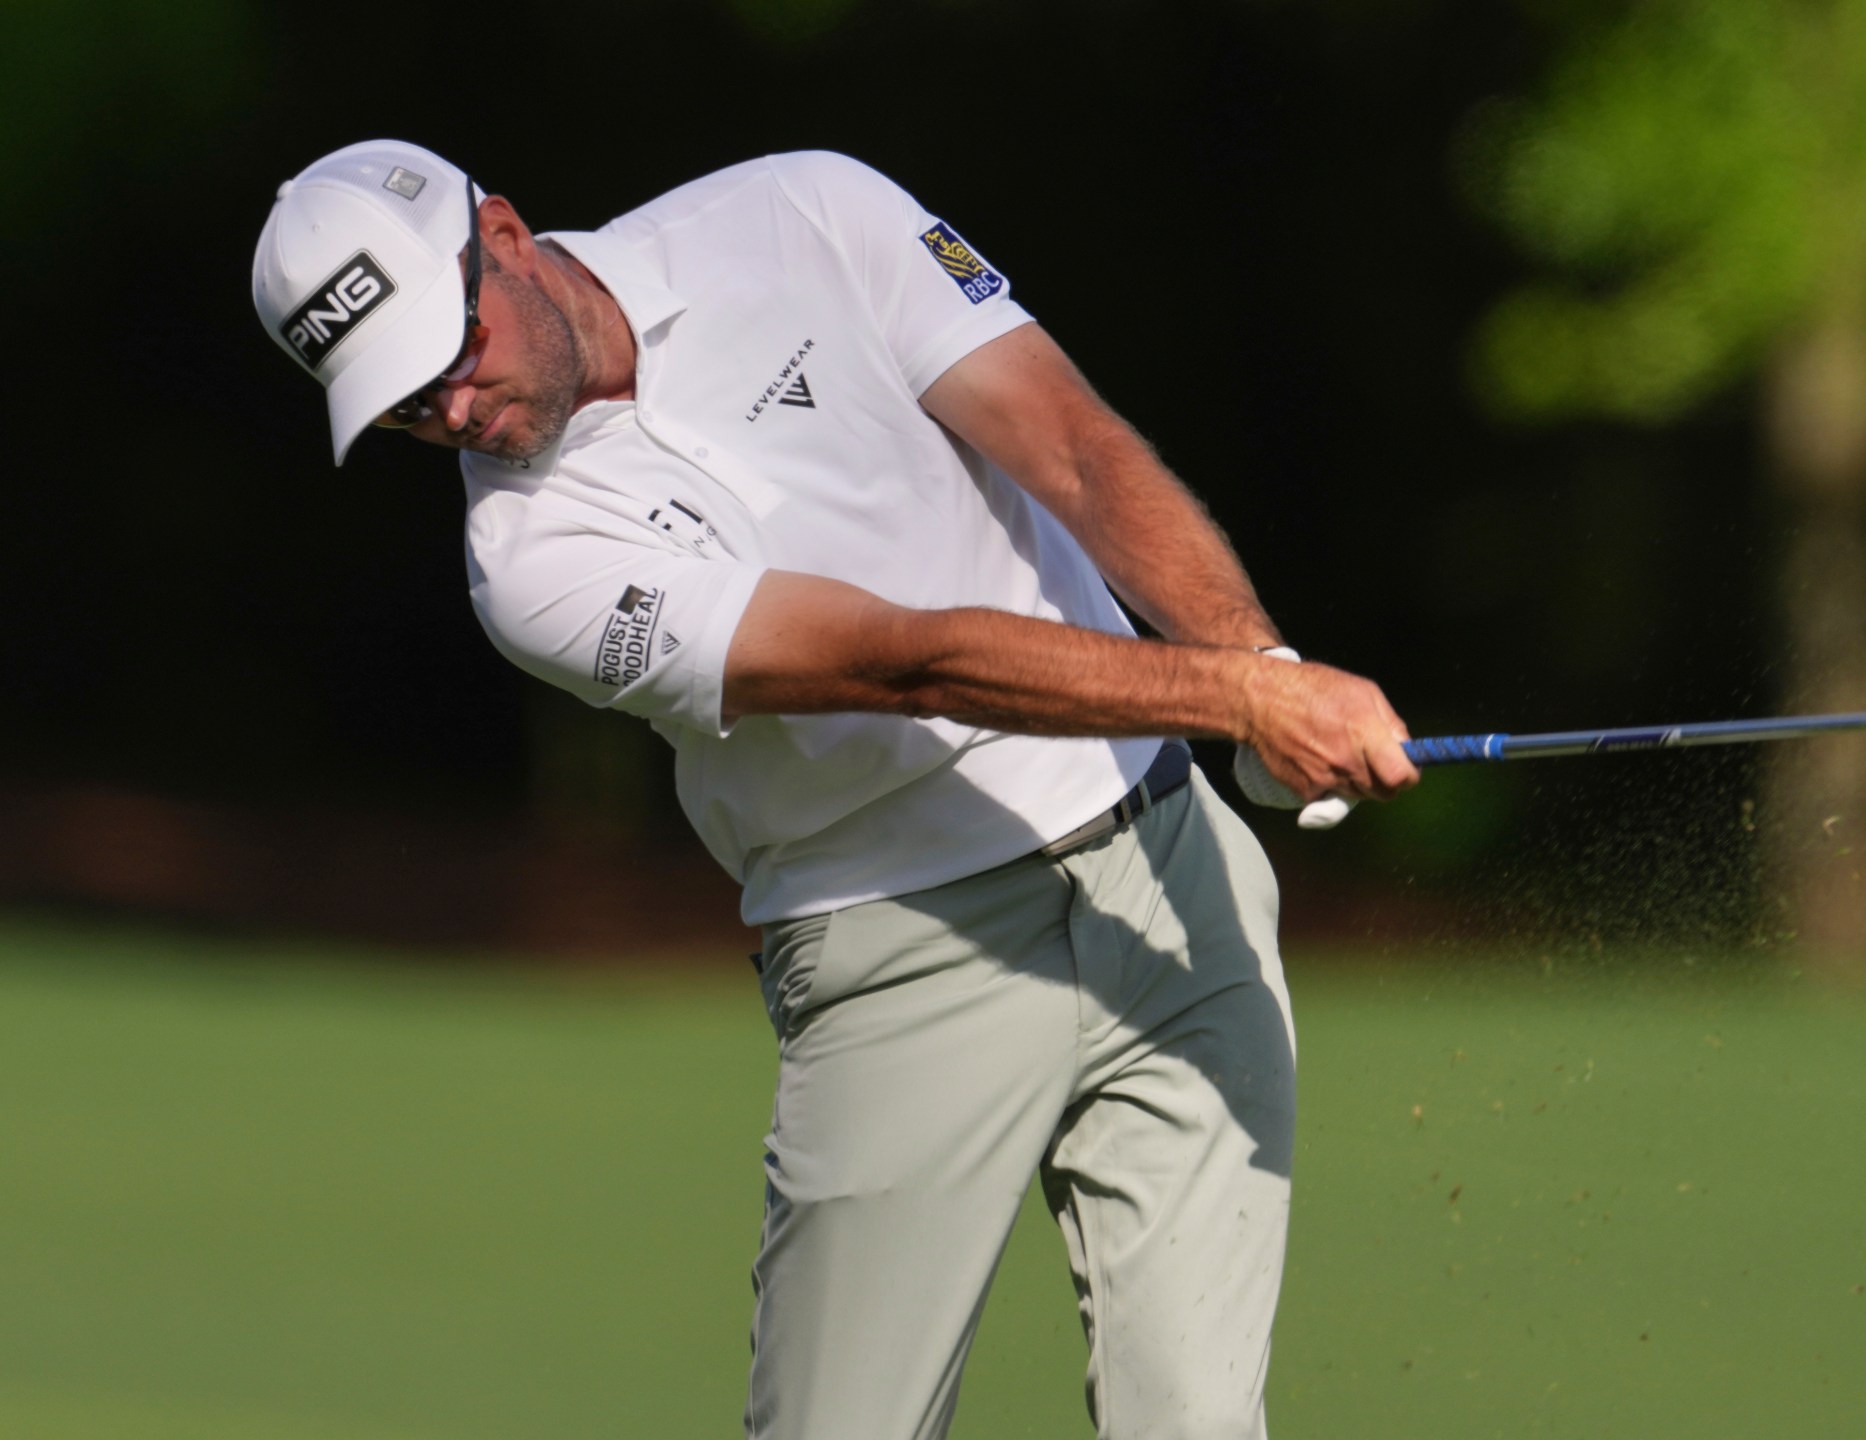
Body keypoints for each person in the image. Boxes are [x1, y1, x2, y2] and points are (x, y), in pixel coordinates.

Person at [249, 138, 1419, 1440]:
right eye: (407, 405)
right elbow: (901, 659)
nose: (454, 412)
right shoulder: (528, 567)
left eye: (453, 352)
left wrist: (1256, 659)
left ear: (507, 236)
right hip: (903, 949)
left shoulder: (805, 208)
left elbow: (1074, 449)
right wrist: (1242, 701)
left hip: (1171, 877)